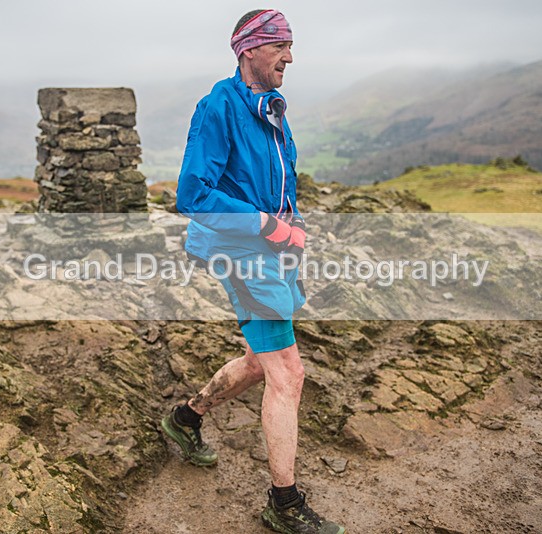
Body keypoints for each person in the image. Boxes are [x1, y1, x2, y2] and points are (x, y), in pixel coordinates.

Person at [161, 9, 346, 534]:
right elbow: (193, 195)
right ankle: (283, 505)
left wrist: (294, 231)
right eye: (281, 46)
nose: (291, 56)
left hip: (270, 252)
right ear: (249, 51)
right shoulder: (218, 106)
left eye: (290, 45)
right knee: (288, 372)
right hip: (240, 252)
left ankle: (186, 419)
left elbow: (278, 185)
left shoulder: (271, 109)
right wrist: (267, 226)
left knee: (260, 360)